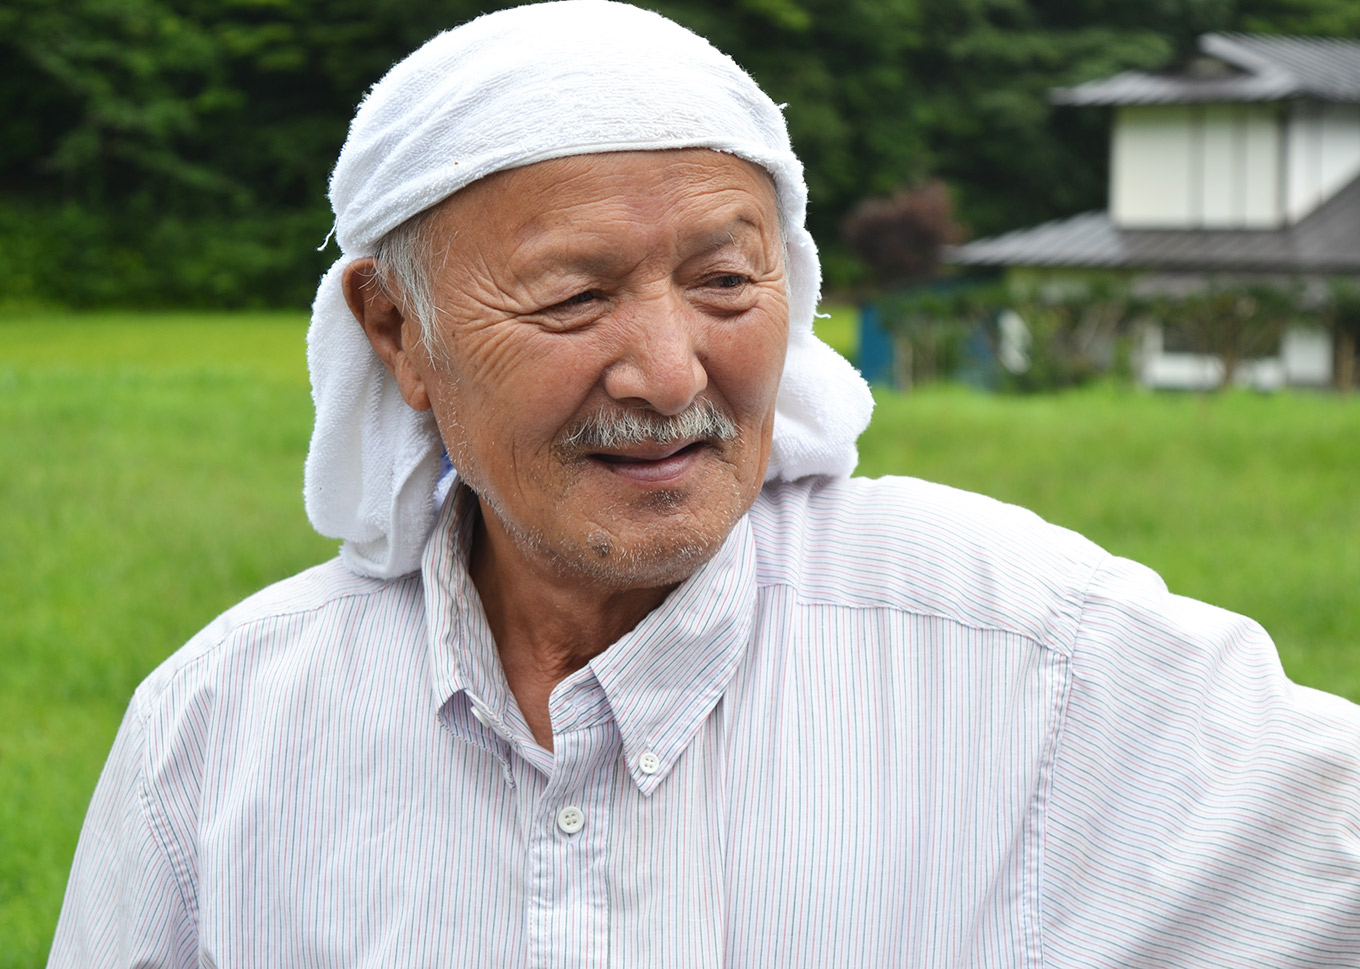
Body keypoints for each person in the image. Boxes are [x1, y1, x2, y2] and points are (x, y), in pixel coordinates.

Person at [50, 2, 1360, 966]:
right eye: (576, 295)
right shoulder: (222, 739)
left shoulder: (1028, 650)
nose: (671, 368)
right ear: (399, 334)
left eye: (726, 283)